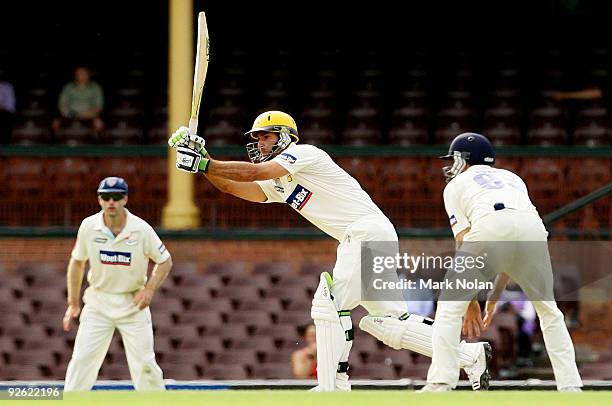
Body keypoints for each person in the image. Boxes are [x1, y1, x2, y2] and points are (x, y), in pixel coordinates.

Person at [168, 110, 491, 391]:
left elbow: (255, 173)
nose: (260, 144)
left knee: (328, 303)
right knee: (388, 323)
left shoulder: (306, 154)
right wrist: (203, 167)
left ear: (284, 138)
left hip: (364, 233)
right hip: (371, 236)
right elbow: (234, 186)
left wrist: (206, 161)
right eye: (258, 138)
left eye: (265, 137)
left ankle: (331, 387)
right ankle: (468, 356)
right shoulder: (278, 181)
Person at [421, 132, 583, 392]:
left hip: (491, 226)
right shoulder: (513, 178)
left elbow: (465, 241)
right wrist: (493, 299)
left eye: (454, 160)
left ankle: (441, 383)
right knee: (550, 312)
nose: (451, 166)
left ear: (464, 159)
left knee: (450, 306)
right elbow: (511, 244)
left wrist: (471, 302)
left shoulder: (454, 186)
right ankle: (571, 387)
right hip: (533, 230)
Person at [63, 177, 172, 391]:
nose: (111, 202)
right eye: (106, 197)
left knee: (145, 367)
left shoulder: (140, 229)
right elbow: (77, 262)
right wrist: (73, 303)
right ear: (99, 200)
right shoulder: (89, 226)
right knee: (81, 362)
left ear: (125, 199)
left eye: (116, 197)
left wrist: (149, 290)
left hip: (133, 303)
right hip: (98, 302)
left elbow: (165, 260)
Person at [52, 66, 104, 137]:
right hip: (70, 115)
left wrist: (87, 115)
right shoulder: (68, 87)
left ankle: (95, 144)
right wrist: (73, 114)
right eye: (79, 74)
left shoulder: (96, 87)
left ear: (88, 74)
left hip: (90, 115)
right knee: (55, 123)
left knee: (99, 124)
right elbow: (62, 105)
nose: (81, 76)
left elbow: (99, 106)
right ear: (75, 75)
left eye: (84, 73)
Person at [0, 68, 16, 144]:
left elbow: (10, 107)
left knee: (5, 119)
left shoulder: (8, 87)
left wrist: (2, 107)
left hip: (4, 115)